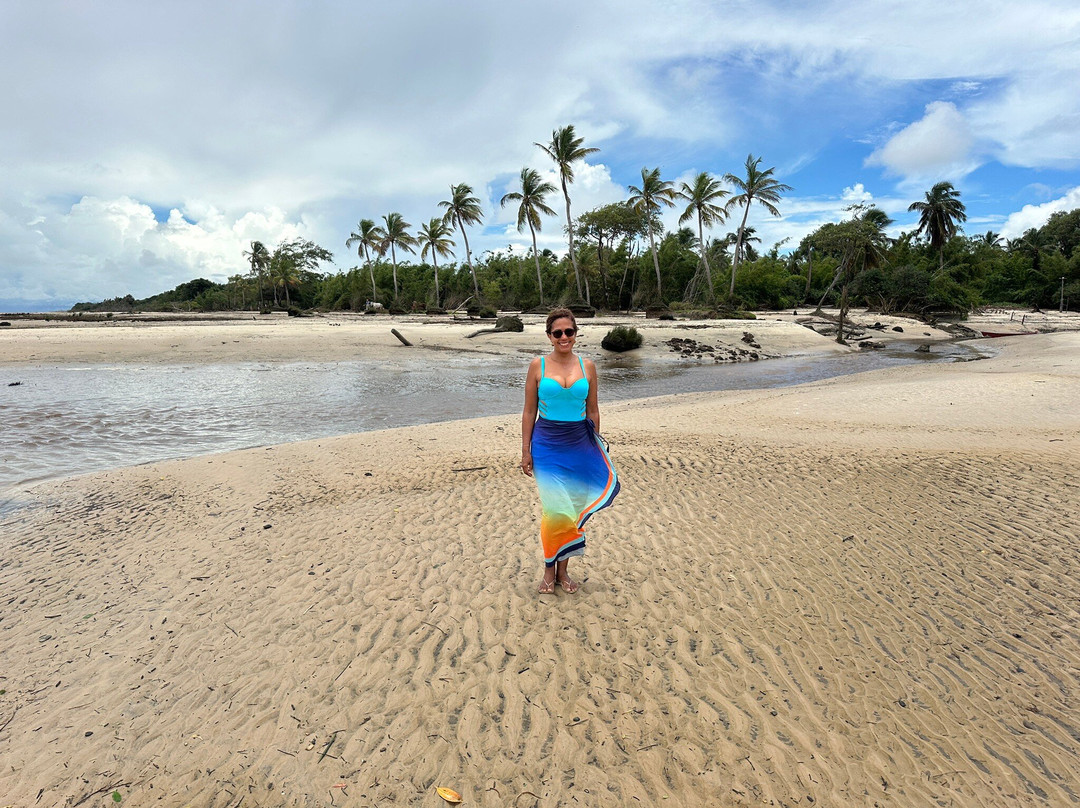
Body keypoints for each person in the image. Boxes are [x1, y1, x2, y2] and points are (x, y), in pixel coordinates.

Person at [521, 308, 620, 594]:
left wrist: (597, 445)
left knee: (572, 511)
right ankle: (548, 572)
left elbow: (593, 410)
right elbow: (528, 412)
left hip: (580, 443)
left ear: (575, 334)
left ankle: (564, 572)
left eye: (569, 332)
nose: (564, 337)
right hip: (547, 444)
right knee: (555, 511)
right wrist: (525, 451)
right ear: (549, 336)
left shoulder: (587, 366)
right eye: (557, 333)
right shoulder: (537, 366)